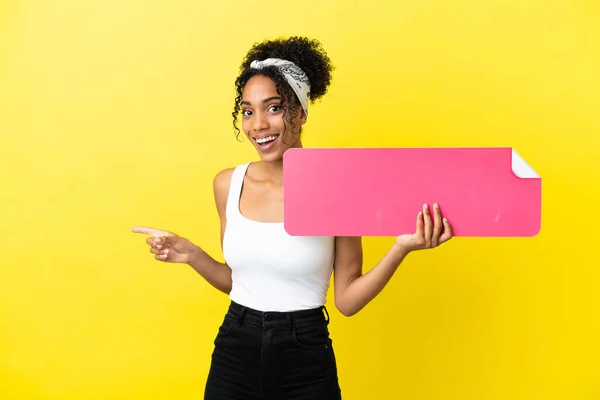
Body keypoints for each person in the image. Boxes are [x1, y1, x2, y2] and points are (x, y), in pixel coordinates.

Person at [132, 36, 453, 400]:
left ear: (300, 112)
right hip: (235, 346)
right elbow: (239, 280)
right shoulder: (228, 184)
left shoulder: (337, 189)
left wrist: (401, 247)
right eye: (248, 111)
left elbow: (346, 301)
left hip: (305, 354)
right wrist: (193, 255)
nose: (258, 125)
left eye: (273, 108)